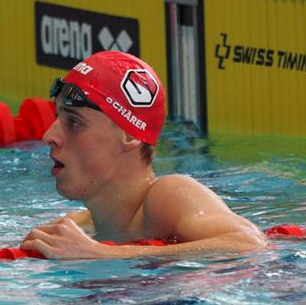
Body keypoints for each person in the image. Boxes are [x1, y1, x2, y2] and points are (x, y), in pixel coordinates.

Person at [21, 51, 268, 260]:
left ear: (129, 134)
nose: (48, 136)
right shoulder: (82, 224)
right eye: (57, 117)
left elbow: (249, 242)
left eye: (74, 122)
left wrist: (100, 254)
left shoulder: (166, 195)